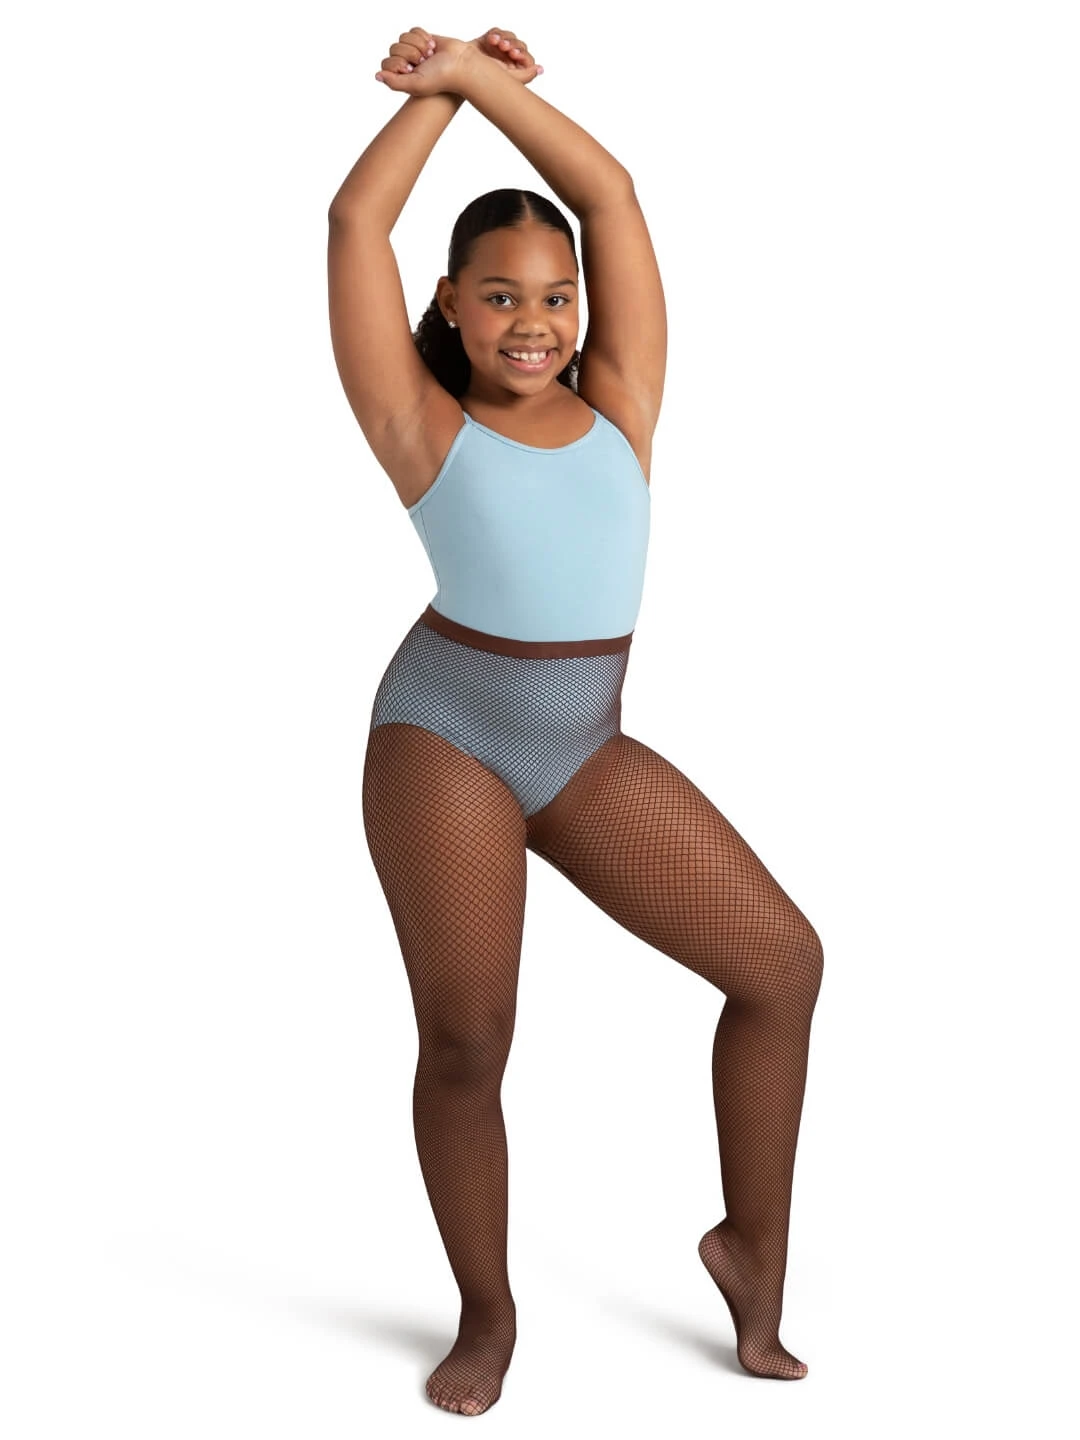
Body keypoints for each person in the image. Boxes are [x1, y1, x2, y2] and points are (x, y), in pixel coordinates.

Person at [327, 26, 824, 1418]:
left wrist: (490, 84)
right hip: (446, 734)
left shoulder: (622, 398)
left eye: (555, 296)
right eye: (499, 297)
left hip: (582, 741)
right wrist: (440, 97)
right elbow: (356, 223)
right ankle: (487, 1312)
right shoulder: (419, 422)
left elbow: (610, 196)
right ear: (451, 306)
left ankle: (752, 1251)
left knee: (782, 966)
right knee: (471, 1040)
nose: (533, 320)